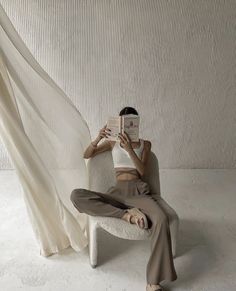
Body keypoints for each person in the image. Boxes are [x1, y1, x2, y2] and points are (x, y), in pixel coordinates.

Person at [70, 106, 178, 291]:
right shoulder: (112, 143)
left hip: (138, 191)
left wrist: (130, 150)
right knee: (76, 195)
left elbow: (143, 172)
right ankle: (127, 215)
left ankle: (153, 282)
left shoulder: (145, 144)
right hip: (117, 192)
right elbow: (86, 155)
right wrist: (99, 138)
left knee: (161, 218)